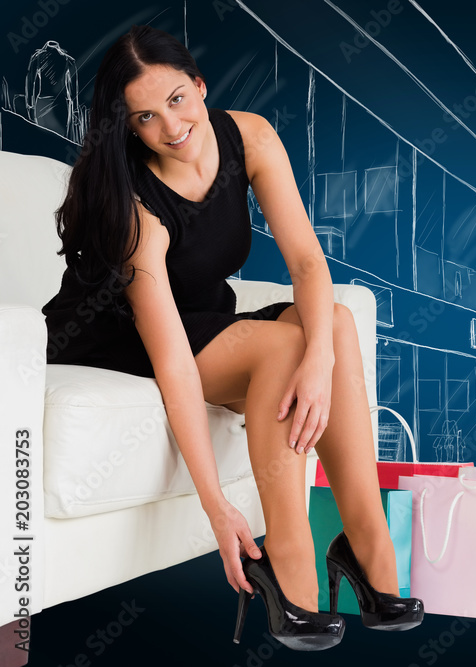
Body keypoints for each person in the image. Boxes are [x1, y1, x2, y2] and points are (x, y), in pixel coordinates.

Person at [40, 25, 422, 650]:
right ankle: (289, 557)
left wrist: (321, 359)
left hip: (207, 316)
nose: (170, 126)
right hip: (118, 337)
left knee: (334, 321)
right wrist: (217, 508)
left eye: (177, 100)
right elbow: (174, 363)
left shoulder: (250, 136)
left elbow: (306, 264)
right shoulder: (138, 207)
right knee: (280, 346)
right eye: (145, 116)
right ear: (129, 128)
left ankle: (366, 538)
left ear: (200, 86)